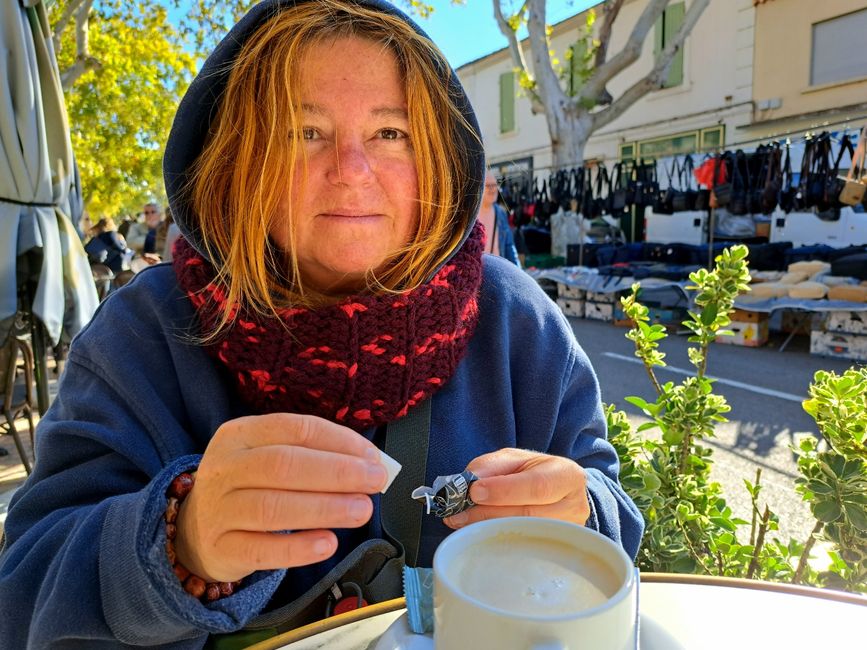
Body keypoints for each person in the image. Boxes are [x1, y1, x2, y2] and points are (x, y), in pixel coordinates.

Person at [0, 1, 643, 647]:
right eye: (302, 133)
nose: (350, 171)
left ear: (439, 159)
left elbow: (609, 504)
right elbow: (26, 590)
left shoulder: (515, 319)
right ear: (234, 160)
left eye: (391, 133)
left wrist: (578, 509)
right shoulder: (140, 334)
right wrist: (177, 543)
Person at [477, 169, 521, 266]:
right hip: (477, 269)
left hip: (496, 269)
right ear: (479, 189)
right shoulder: (472, 215)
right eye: (488, 185)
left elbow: (509, 245)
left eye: (495, 185)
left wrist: (518, 271)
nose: (493, 189)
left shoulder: (500, 212)